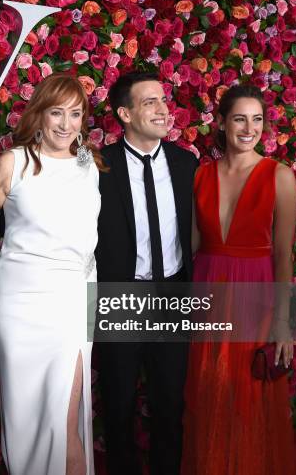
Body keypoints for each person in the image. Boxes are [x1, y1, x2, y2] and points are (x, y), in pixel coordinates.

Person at [181, 85, 296, 474]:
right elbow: (190, 245)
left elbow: (283, 256)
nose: (250, 128)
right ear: (222, 123)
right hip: (208, 293)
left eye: (257, 119)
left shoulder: (279, 177)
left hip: (256, 297)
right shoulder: (200, 176)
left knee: (248, 395)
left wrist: (282, 322)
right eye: (240, 118)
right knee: (210, 391)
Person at [0, 73, 104, 475]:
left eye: (75, 114)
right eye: (56, 112)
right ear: (38, 114)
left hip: (72, 301)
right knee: (27, 419)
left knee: (65, 421)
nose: (65, 124)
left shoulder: (88, 165)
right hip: (20, 305)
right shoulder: (13, 163)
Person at [95, 71, 198, 475]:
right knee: (118, 406)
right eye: (149, 102)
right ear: (125, 113)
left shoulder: (185, 163)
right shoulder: (100, 166)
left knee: (170, 405)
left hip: (172, 294)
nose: (161, 109)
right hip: (121, 297)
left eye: (162, 100)